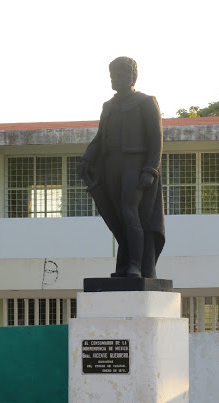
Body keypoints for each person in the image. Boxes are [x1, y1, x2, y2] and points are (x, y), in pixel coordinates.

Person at [77, 57, 165, 278]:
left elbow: (156, 140)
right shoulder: (109, 106)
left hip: (134, 166)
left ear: (131, 77)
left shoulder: (146, 102)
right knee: (116, 217)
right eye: (112, 75)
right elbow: (99, 138)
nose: (114, 80)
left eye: (119, 75)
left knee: (129, 212)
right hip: (111, 166)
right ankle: (124, 264)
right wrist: (87, 159)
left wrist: (150, 170)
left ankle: (136, 264)